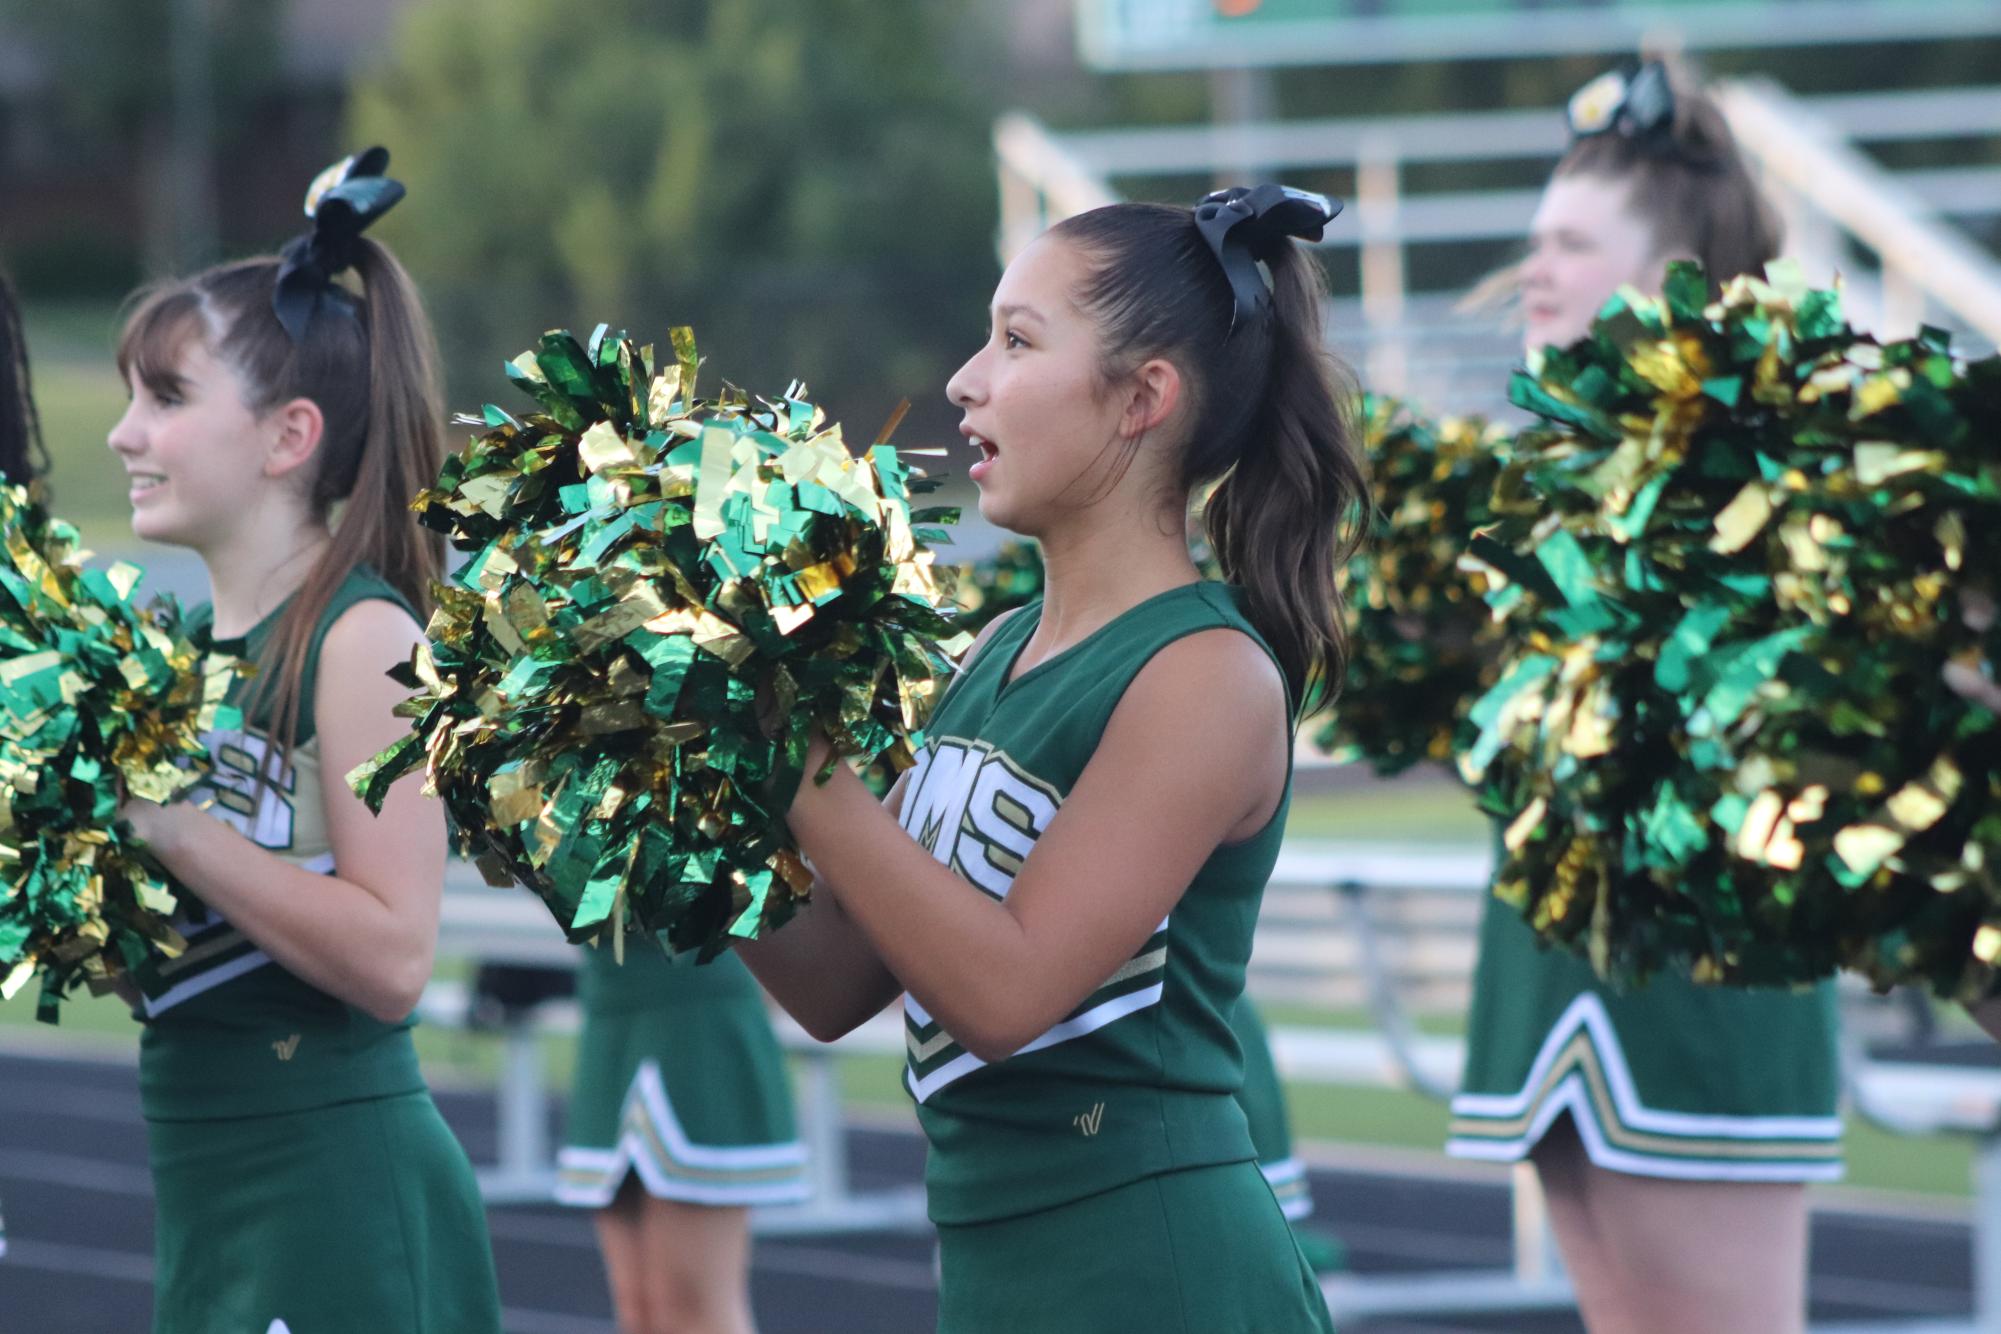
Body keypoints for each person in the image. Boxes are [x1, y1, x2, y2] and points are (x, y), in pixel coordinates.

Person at [738, 183, 1366, 1332]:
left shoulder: (1203, 673)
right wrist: (670, 804)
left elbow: (1005, 990)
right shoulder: (993, 650)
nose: (968, 379)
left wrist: (794, 759)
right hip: (999, 1270)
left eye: (1017, 341)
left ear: (1142, 398)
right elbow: (837, 981)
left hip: (1157, 1272)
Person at [1445, 62, 1843, 1334]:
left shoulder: (1755, 469)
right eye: (1535, 238)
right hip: (1553, 962)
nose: (1537, 269)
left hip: (1697, 980)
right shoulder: (1547, 472)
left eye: (1571, 242)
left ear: (1673, 272)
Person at [110, 148, 501, 1333]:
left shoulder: (360, 633)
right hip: (207, 1186)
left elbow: (395, 959)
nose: (125, 433)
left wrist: (165, 822)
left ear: (288, 438)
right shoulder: (170, 651)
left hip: (334, 1187)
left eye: (166, 399)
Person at [557, 940, 809, 1334]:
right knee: (638, 1310)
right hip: (611, 1014)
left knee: (690, 1312)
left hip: (698, 1023)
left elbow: (752, 896)